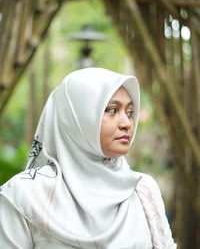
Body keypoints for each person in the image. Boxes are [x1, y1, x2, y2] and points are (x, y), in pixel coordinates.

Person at [0, 67, 177, 248]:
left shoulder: (143, 190)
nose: (126, 123)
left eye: (129, 112)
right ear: (76, 118)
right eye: (111, 110)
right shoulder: (25, 195)